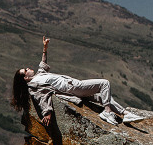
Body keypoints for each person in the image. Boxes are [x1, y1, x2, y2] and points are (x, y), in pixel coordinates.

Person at [11, 35, 142, 132]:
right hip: (73, 87)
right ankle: (107, 112)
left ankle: (125, 114)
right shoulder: (33, 86)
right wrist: (47, 113)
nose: (28, 68)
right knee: (104, 83)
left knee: (102, 97)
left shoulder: (38, 76)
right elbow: (42, 98)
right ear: (25, 78)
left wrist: (45, 48)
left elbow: (43, 64)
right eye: (25, 70)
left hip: (73, 86)